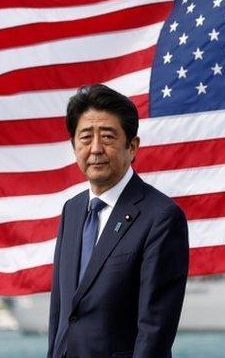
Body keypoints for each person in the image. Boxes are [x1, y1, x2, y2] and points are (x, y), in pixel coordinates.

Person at [47, 84, 189, 358]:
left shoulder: (160, 217)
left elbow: (155, 329)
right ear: (74, 145)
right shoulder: (72, 210)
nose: (96, 149)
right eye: (86, 137)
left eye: (108, 137)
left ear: (132, 146)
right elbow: (60, 312)